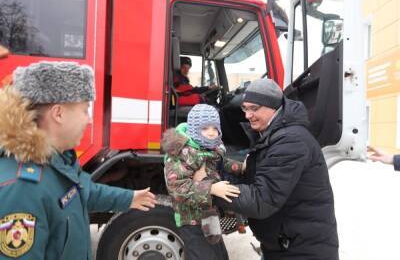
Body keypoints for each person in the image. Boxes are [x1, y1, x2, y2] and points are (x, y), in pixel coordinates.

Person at [0, 61, 157, 259]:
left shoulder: (57, 161)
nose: (88, 119)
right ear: (58, 114)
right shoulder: (22, 188)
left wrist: (129, 199)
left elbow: (83, 192)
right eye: (84, 109)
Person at [214, 78, 339, 260]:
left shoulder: (290, 141)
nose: (247, 115)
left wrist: (209, 190)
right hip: (285, 244)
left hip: (302, 251)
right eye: (245, 108)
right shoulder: (272, 134)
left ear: (273, 106)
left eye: (254, 108)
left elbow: (262, 199)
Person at [161, 104, 244, 260]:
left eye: (215, 128)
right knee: (201, 255)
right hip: (191, 220)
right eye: (205, 128)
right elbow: (178, 189)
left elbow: (221, 163)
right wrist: (211, 188)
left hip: (209, 214)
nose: (211, 133)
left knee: (218, 255)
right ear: (194, 129)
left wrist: (240, 167)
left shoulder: (209, 148)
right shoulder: (182, 153)